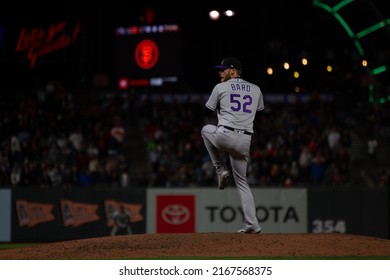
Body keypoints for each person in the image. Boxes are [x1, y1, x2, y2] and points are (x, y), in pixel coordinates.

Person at [201, 57, 264, 234]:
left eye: (224, 69)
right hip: (245, 141)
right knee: (242, 182)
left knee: (205, 130)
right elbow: (258, 111)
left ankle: (220, 169)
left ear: (234, 71)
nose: (220, 72)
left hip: (225, 135)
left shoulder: (220, 87)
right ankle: (253, 225)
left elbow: (207, 111)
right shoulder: (256, 89)